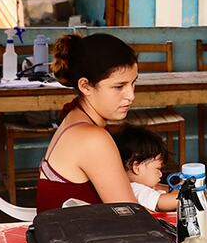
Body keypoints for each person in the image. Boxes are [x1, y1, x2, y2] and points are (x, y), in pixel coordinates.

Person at [35, 34, 141, 212]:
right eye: (119, 86)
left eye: (133, 83)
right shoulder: (92, 138)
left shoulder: (76, 114)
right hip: (72, 237)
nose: (131, 95)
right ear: (85, 86)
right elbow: (129, 215)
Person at [114, 124, 178, 212]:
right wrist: (182, 192)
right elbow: (163, 203)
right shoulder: (135, 189)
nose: (160, 174)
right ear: (137, 167)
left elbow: (158, 188)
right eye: (158, 169)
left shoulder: (131, 185)